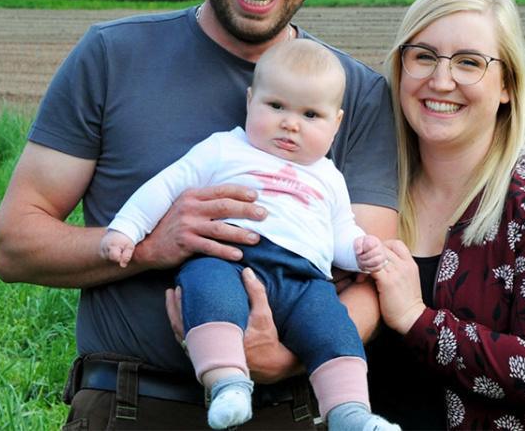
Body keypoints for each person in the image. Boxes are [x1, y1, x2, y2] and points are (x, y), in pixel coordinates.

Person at [0, 0, 399, 430]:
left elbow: (367, 281)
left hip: (289, 412)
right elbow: (13, 245)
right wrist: (153, 247)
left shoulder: (356, 97)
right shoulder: (112, 57)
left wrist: (276, 359)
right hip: (130, 405)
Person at [98, 39, 396, 430]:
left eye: (310, 114)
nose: (290, 123)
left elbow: (340, 231)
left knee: (333, 327)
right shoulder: (225, 148)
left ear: (336, 123)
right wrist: (127, 227)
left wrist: (360, 253)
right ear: (251, 100)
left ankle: (349, 412)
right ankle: (228, 385)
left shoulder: (328, 176)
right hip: (229, 257)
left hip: (304, 279)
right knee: (209, 296)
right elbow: (167, 186)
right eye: (276, 106)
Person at [368, 0, 525, 430]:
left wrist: (418, 320)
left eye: (469, 62)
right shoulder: (366, 186)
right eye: (423, 56)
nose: (440, 80)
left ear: (507, 85)